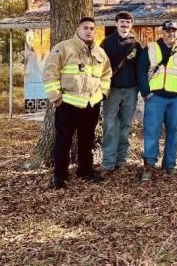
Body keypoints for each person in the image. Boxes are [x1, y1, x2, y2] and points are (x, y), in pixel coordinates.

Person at [43, 17, 112, 189]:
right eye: (85, 28)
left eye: (92, 28)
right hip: (68, 103)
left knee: (87, 140)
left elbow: (106, 74)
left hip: (91, 104)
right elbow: (50, 73)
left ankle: (85, 171)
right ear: (78, 29)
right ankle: (60, 176)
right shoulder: (63, 48)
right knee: (63, 141)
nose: (89, 31)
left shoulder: (100, 53)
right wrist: (56, 97)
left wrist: (103, 93)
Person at [136, 20, 177, 181]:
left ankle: (169, 164)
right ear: (162, 32)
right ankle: (149, 165)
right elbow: (140, 71)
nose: (171, 34)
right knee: (152, 131)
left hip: (176, 99)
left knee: (173, 131)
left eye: (174, 31)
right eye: (168, 31)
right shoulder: (151, 48)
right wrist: (147, 93)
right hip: (156, 97)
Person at [99, 11, 142, 173]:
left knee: (125, 126)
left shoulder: (136, 44)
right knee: (109, 125)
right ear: (116, 24)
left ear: (131, 24)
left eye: (128, 22)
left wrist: (140, 89)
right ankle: (108, 162)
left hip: (131, 90)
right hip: (112, 90)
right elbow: (101, 67)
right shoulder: (106, 43)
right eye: (122, 22)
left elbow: (141, 69)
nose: (125, 25)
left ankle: (121, 161)